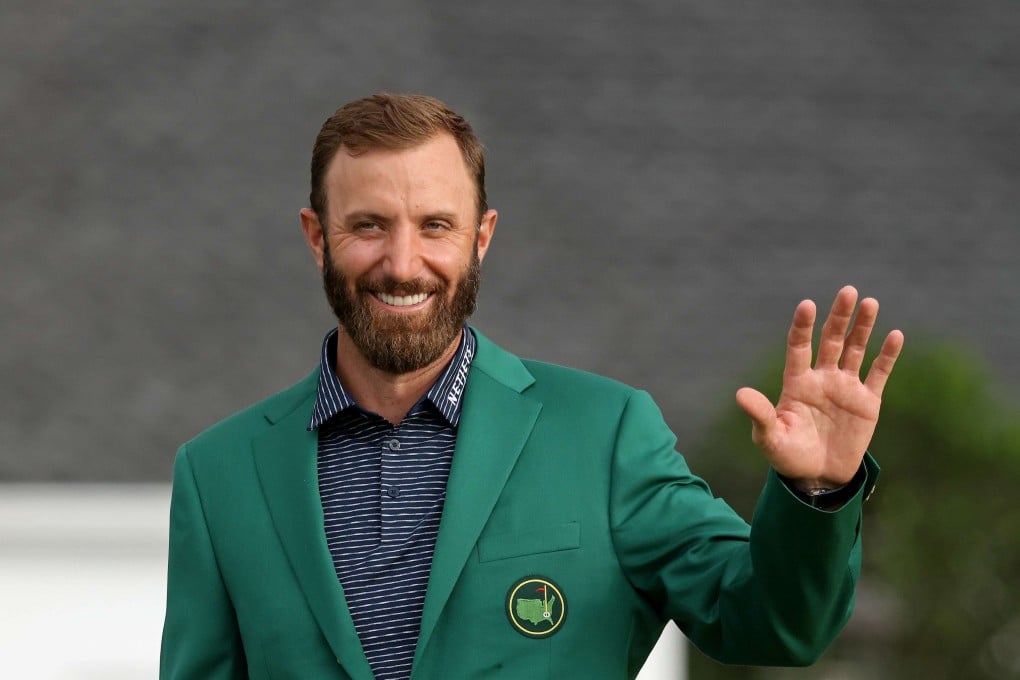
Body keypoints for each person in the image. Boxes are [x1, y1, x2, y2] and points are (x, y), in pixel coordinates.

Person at [160, 93, 903, 680]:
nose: (404, 262)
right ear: (317, 236)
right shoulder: (219, 475)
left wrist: (816, 493)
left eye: (436, 225)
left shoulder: (605, 435)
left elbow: (773, 625)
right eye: (369, 226)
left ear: (481, 237)